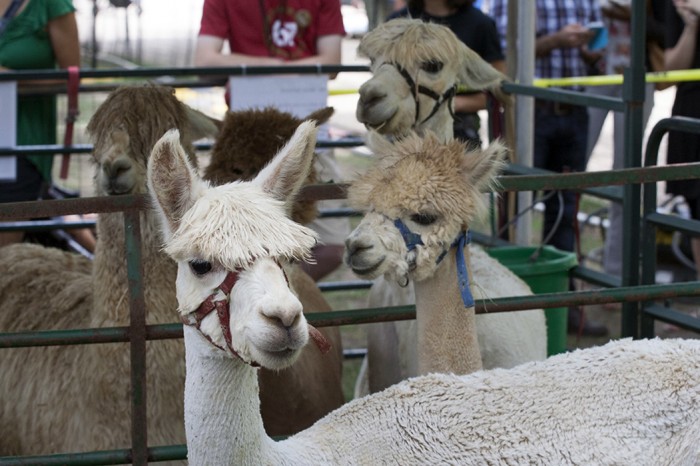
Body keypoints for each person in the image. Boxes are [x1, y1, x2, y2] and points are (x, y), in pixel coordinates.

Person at [194, 0, 349, 281]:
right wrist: (272, 65)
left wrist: (261, 69)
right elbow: (205, 59)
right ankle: (256, 298)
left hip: (305, 130)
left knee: (332, 244)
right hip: (245, 140)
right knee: (233, 237)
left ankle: (278, 288)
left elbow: (332, 61)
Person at [490, 0, 608, 336]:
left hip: (573, 109)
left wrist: (590, 50)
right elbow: (503, 57)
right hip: (529, 110)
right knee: (515, 210)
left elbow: (599, 51)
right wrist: (554, 41)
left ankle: (562, 307)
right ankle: (507, 308)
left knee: (566, 209)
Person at [585, 1, 663, 284]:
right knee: (570, 171)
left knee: (626, 176)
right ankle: (566, 268)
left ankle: (617, 273)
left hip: (637, 79)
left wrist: (634, 14)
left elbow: (668, 32)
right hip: (595, 75)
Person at [0, 0, 81, 247]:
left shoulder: (50, 4)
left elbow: (73, 78)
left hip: (19, 144)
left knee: (5, 258)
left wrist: (10, 79)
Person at [388, 0, 505, 147]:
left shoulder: (481, 24)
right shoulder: (397, 23)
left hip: (459, 132)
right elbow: (383, 83)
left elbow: (498, 90)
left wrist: (449, 104)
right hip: (404, 132)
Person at [665, 0, 700, 280]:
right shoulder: (679, 9)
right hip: (691, 112)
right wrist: (692, 25)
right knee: (696, 209)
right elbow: (671, 70)